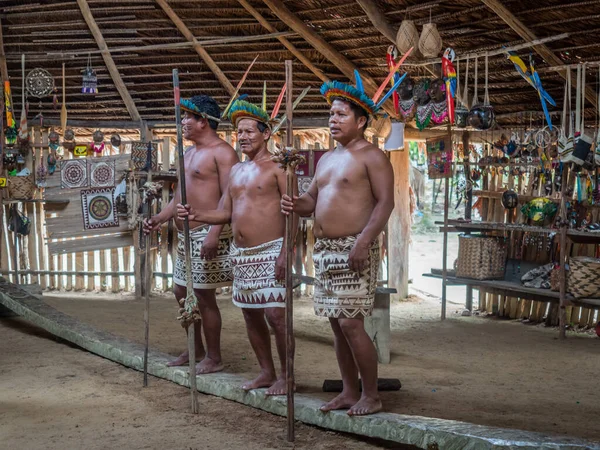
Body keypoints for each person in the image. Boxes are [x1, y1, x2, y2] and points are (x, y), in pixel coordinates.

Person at [281, 77, 394, 415]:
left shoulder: (372, 156)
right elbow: (310, 202)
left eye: (341, 114)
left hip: (355, 248)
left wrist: (362, 243)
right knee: (335, 322)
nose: (333, 120)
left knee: (350, 323)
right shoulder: (327, 159)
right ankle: (348, 390)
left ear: (361, 121)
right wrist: (292, 201)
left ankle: (371, 394)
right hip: (326, 251)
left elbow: (385, 204)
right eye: (331, 114)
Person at [177, 99, 297, 395]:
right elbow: (225, 212)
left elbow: (293, 213)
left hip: (272, 250)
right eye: (239, 132)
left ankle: (287, 376)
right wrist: (197, 215)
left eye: (249, 132)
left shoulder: (279, 168)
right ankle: (266, 373)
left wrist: (286, 252)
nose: (242, 137)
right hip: (241, 255)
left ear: (266, 133)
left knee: (276, 315)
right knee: (250, 313)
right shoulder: (237, 172)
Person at [143, 95, 239, 374]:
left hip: (210, 233)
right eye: (183, 117)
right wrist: (160, 218)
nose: (183, 122)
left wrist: (213, 233)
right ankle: (194, 347)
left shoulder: (223, 153)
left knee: (203, 295)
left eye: (188, 118)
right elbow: (179, 197)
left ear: (204, 121)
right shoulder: (188, 153)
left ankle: (214, 357)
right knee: (181, 291)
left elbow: (228, 198)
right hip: (187, 236)